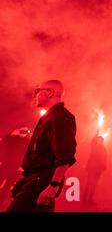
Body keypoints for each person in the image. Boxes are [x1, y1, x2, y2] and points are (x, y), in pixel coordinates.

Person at [7, 80, 77, 212]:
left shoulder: (60, 117)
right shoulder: (49, 117)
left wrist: (53, 186)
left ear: (50, 93)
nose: (35, 95)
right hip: (35, 181)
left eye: (38, 91)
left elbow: (65, 156)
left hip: (40, 183)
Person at [0, 127, 31, 207]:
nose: (24, 132)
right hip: (5, 165)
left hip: (16, 168)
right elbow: (3, 141)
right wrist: (12, 133)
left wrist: (23, 166)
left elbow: (28, 155)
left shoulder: (27, 142)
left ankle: (0, 202)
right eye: (22, 130)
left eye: (26, 131)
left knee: (7, 188)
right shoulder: (13, 138)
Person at [83, 132, 107, 206]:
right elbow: (93, 141)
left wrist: (103, 169)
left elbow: (105, 159)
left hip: (98, 169)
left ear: (102, 141)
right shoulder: (94, 147)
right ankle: (84, 201)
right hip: (92, 168)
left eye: (100, 140)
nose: (98, 141)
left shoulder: (103, 149)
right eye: (97, 140)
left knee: (93, 185)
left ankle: (89, 200)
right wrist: (96, 132)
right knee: (89, 184)